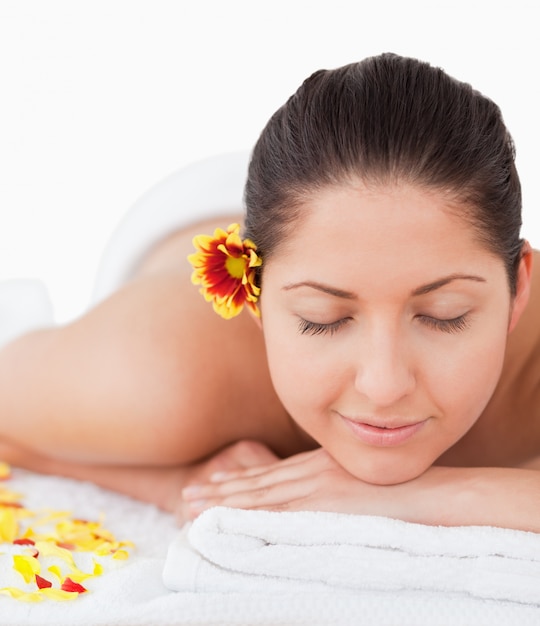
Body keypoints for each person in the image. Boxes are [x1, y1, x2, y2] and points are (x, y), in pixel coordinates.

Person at [0, 52, 538, 531]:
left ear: (519, 289)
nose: (383, 385)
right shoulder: (163, 374)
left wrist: (436, 493)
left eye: (445, 316)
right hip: (217, 216)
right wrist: (183, 483)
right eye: (322, 318)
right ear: (252, 295)